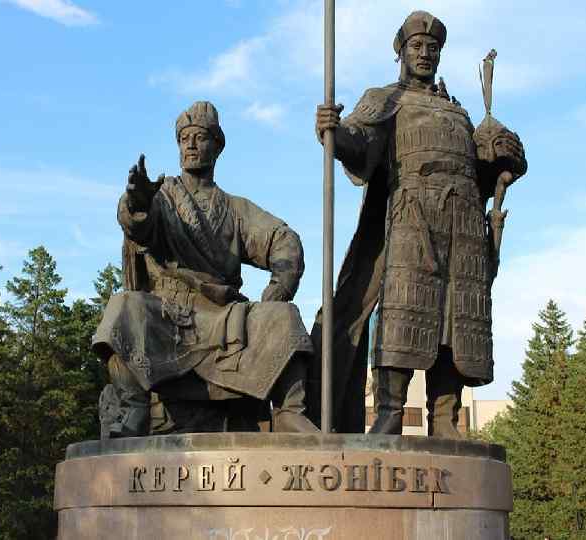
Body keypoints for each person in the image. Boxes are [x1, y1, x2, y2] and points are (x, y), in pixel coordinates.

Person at [310, 11, 527, 437]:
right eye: (417, 46)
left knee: (456, 318)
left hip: (463, 225)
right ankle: (389, 410)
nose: (425, 53)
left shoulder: (458, 112)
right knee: (405, 308)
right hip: (412, 218)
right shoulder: (386, 99)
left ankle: (444, 417)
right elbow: (360, 142)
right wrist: (334, 134)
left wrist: (504, 158)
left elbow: (483, 174)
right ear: (402, 52)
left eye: (433, 48)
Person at [93, 101, 318, 438]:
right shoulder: (162, 197)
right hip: (169, 315)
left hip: (223, 318)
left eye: (200, 137)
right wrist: (137, 202)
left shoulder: (235, 208)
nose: (191, 145)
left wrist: (280, 286)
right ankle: (133, 408)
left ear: (217, 146)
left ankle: (288, 412)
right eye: (184, 139)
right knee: (125, 308)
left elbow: (283, 239)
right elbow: (139, 226)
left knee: (284, 316)